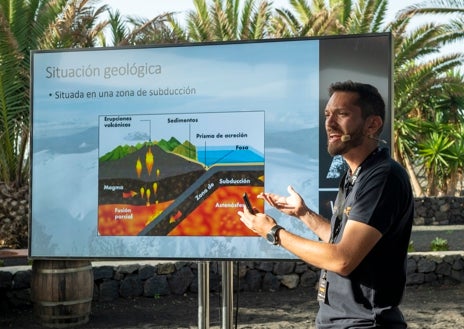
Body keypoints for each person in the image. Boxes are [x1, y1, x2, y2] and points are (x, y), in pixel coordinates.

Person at [238, 81, 414, 328]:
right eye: (327, 115)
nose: (329, 124)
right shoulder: (355, 175)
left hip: (363, 323)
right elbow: (341, 240)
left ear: (372, 124)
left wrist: (273, 232)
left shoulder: (383, 177)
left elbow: (342, 258)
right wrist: (303, 213)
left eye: (341, 114)